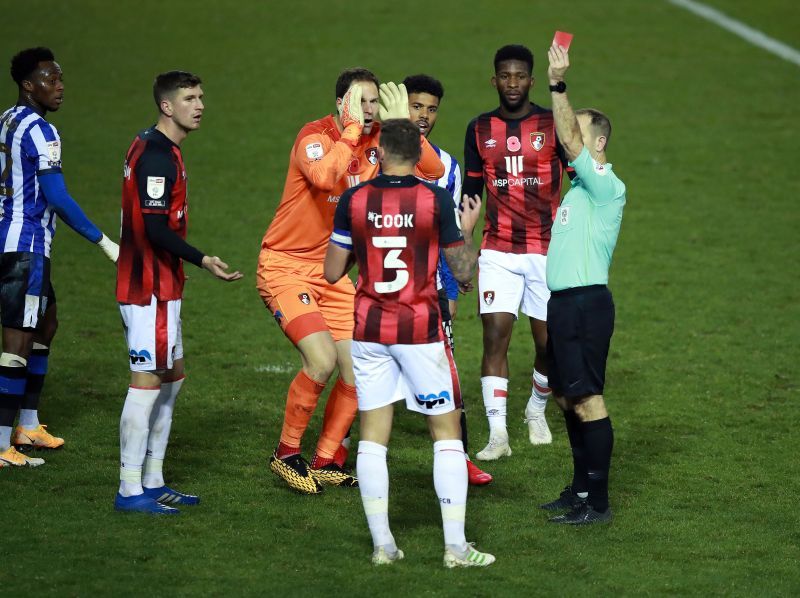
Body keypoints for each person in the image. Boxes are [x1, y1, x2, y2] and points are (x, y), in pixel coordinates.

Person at [257, 69, 444, 494]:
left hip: (333, 273)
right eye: (362, 102)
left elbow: (429, 169)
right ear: (342, 104)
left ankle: (324, 458)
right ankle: (286, 453)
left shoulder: (379, 138)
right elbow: (325, 176)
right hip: (285, 265)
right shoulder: (315, 136)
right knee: (321, 360)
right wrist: (352, 132)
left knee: (357, 370)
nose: (371, 110)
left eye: (375, 102)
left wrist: (400, 126)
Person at [324, 118, 495, 568]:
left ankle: (383, 546)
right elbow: (462, 273)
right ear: (418, 155)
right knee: (446, 434)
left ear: (377, 153)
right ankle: (455, 547)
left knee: (373, 439)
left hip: (369, 331)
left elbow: (332, 271)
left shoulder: (354, 200)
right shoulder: (435, 199)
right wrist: (468, 229)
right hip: (420, 330)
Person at [114, 71, 243, 514]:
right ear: (167, 106)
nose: (200, 104)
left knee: (173, 377)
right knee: (147, 382)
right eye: (189, 98)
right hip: (147, 287)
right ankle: (129, 489)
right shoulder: (157, 157)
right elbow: (153, 227)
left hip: (162, 286)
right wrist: (203, 258)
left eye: (201, 96)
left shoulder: (153, 145)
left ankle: (153, 478)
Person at [0, 47, 119, 468]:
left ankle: (28, 424)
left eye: (61, 78)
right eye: (51, 80)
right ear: (28, 86)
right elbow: (57, 197)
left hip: (7, 239)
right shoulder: (43, 133)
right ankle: (1, 445)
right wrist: (104, 242)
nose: (60, 87)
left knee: (47, 322)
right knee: (17, 342)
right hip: (27, 246)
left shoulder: (6, 120)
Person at [463, 44, 568, 460]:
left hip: (546, 251)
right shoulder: (479, 129)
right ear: (494, 80)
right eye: (504, 76)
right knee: (495, 336)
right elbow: (471, 195)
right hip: (497, 250)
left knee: (549, 346)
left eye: (519, 76)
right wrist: (463, 251)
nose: (512, 83)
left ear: (531, 80)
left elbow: (577, 174)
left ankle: (536, 409)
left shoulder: (551, 123)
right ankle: (498, 435)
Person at [539, 43, 626, 525]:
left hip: (587, 305)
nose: (565, 139)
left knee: (588, 399)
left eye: (577, 133)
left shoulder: (606, 185)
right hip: (564, 306)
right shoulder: (578, 189)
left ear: (597, 144)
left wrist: (557, 84)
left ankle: (599, 502)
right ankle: (578, 491)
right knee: (568, 397)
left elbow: (570, 138)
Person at [403, 73, 492, 486]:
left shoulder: (448, 169)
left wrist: (451, 289)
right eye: (416, 106)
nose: (423, 115)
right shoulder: (374, 156)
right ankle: (337, 448)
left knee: (448, 377)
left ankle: (462, 458)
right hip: (380, 286)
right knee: (358, 376)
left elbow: (450, 234)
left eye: (431, 108)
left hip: (430, 288)